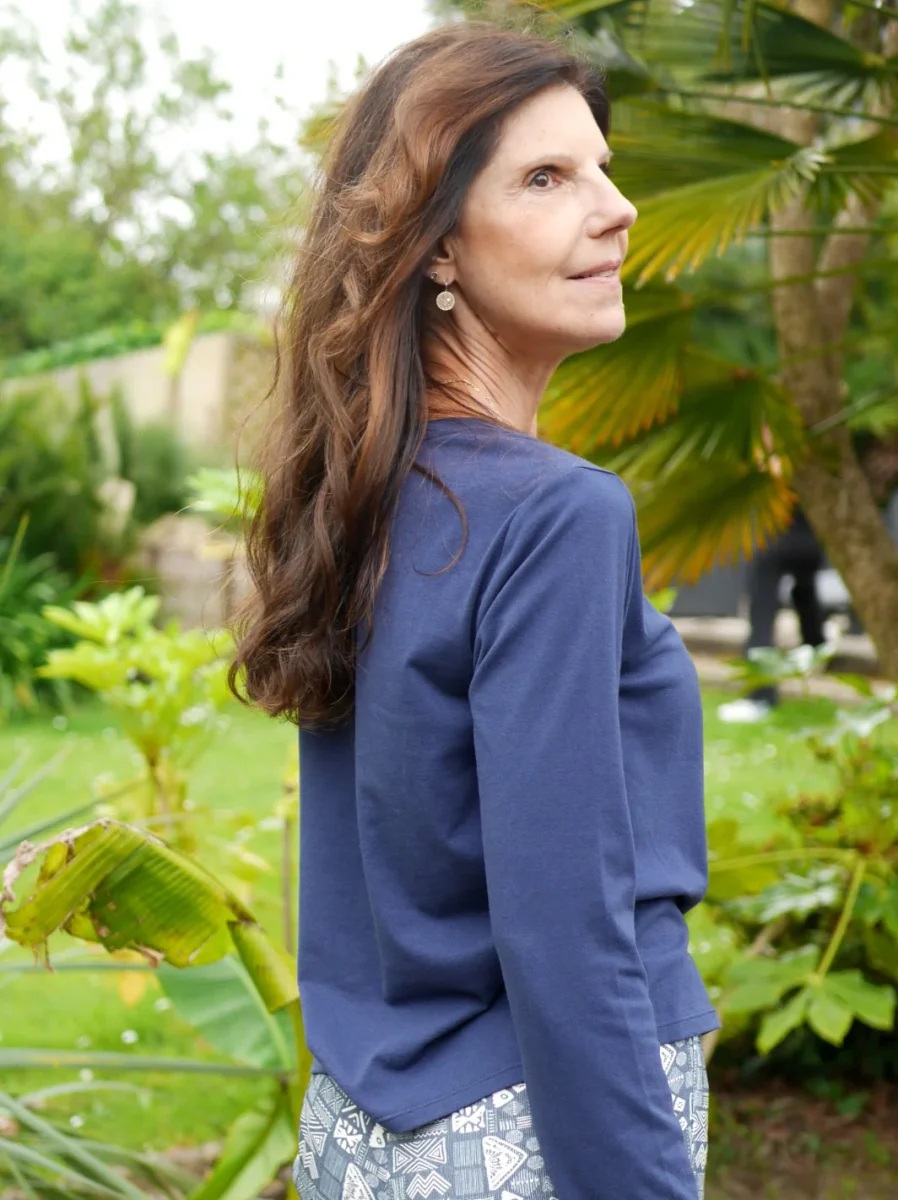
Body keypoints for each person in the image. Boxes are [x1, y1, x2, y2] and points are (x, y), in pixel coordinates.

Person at [232, 21, 719, 1200]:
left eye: (601, 168)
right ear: (436, 242)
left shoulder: (364, 505)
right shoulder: (557, 515)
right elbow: (564, 930)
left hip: (365, 1135)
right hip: (534, 1137)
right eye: (546, 178)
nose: (616, 209)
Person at [717, 505, 826, 723]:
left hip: (777, 537)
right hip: (813, 540)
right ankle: (818, 648)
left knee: (761, 615)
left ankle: (761, 695)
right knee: (804, 590)